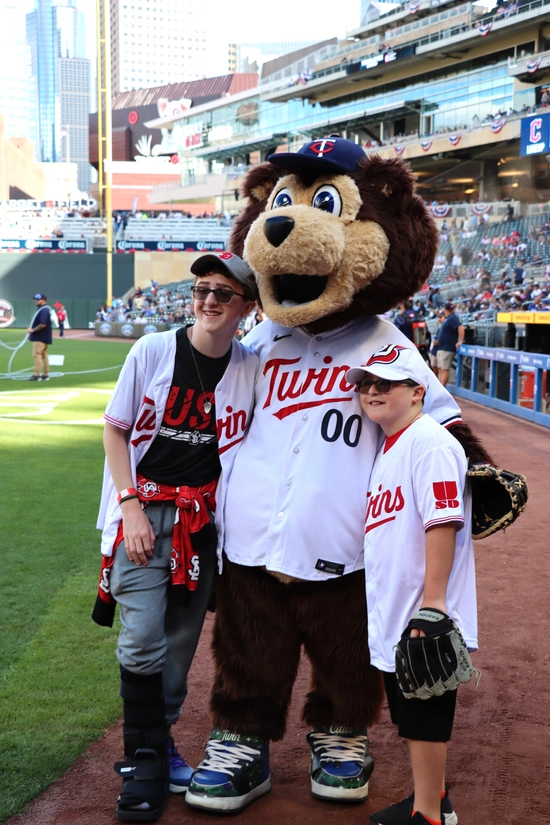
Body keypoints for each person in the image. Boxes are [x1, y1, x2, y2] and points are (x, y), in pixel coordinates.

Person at [92, 252, 257, 823]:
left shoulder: (251, 368)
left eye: (224, 293)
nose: (209, 300)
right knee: (141, 638)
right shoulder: (153, 350)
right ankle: (142, 760)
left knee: (180, 649)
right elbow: (115, 431)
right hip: (144, 513)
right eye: (202, 289)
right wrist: (131, 508)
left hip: (202, 525)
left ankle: (156, 748)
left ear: (248, 308)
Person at [346, 344, 477, 825]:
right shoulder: (393, 444)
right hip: (397, 603)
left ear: (418, 392)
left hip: (422, 607)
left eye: (386, 384)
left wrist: (434, 604)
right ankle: (433, 798)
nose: (372, 391)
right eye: (366, 384)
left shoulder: (430, 442)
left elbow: (441, 523)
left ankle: (427, 817)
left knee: (425, 711)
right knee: (410, 708)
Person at [433, 303, 464, 388]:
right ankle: (439, 388)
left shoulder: (453, 318)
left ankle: (442, 389)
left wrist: (460, 341)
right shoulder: (448, 318)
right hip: (442, 347)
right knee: (440, 369)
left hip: (447, 348)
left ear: (445, 310)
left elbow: (461, 328)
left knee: (444, 369)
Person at [27, 293, 52, 381]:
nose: (36, 301)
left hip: (40, 337)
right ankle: (45, 375)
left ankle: (36, 375)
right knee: (44, 356)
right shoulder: (44, 309)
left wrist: (32, 331)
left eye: (38, 299)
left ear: (43, 300)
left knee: (37, 355)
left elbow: (43, 324)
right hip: (43, 337)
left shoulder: (43, 310)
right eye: (36, 300)